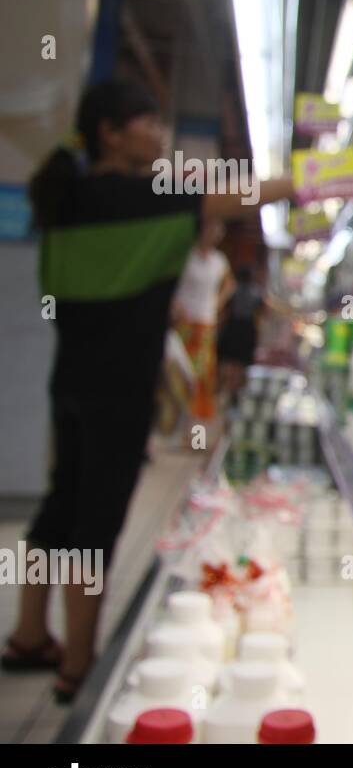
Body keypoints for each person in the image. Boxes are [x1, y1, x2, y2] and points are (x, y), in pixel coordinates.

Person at [0, 77, 294, 703]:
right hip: (119, 386)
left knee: (59, 505)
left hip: (71, 377)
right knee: (95, 524)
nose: (159, 133)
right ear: (110, 131)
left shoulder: (67, 194)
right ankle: (78, 666)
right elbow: (234, 199)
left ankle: (29, 635)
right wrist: (321, 176)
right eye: (146, 122)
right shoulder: (140, 195)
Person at [172, 219, 234, 428]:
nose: (216, 232)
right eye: (212, 227)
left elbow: (229, 284)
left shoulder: (219, 260)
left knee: (201, 380)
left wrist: (217, 303)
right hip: (184, 324)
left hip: (205, 324)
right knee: (180, 375)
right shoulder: (185, 255)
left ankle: (192, 432)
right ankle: (177, 425)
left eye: (218, 228)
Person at [217, 264, 265, 401]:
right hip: (247, 328)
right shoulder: (256, 292)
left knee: (226, 360)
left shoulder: (233, 290)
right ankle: (236, 395)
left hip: (233, 326)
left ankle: (221, 391)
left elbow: (225, 310)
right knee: (241, 364)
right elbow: (260, 313)